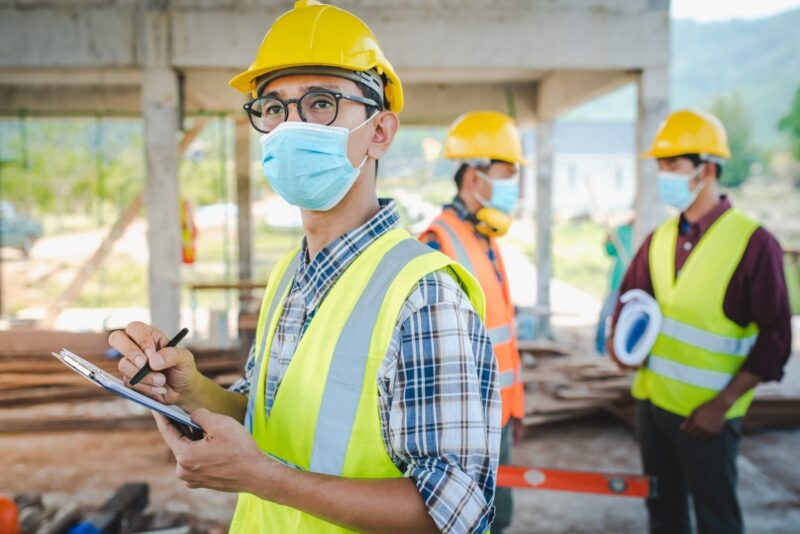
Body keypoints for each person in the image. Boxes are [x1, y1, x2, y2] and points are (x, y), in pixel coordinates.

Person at [109, 2, 501, 532]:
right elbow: (269, 420)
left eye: (320, 103)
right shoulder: (290, 274)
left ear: (380, 132)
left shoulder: (423, 296)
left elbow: (455, 511)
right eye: (272, 107)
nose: (290, 127)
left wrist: (264, 477)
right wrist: (192, 388)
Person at [607, 109, 792, 534]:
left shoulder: (753, 243)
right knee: (665, 517)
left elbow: (777, 338)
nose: (663, 175)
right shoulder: (659, 239)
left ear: (706, 168)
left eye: (672, 165)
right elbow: (631, 303)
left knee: (717, 521)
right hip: (652, 410)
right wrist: (620, 344)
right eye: (660, 165)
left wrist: (722, 405)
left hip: (707, 418)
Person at [420, 110, 525, 534]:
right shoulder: (438, 242)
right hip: (466, 424)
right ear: (474, 175)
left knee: (499, 516)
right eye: (506, 173)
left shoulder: (483, 237)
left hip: (497, 415)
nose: (513, 185)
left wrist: (515, 407)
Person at [595, 220, 633, 355]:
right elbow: (609, 251)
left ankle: (622, 350)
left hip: (634, 285)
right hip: (617, 283)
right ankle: (600, 349)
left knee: (626, 319)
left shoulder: (645, 231)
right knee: (604, 315)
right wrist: (608, 238)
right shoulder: (621, 230)